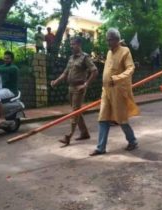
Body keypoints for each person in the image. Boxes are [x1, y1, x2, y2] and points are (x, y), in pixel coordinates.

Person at [90, 28, 139, 156]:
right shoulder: (109, 53)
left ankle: (132, 141)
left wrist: (117, 78)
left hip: (118, 91)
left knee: (121, 119)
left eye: (110, 39)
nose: (108, 42)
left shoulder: (125, 51)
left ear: (117, 40)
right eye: (107, 39)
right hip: (106, 91)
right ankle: (101, 147)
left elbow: (130, 68)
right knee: (103, 118)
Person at [51, 36, 98, 146]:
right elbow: (65, 73)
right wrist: (56, 82)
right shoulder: (71, 58)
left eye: (73, 44)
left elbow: (94, 71)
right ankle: (84, 133)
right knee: (77, 111)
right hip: (70, 88)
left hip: (79, 88)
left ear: (79, 45)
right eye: (71, 44)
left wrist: (85, 84)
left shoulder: (85, 57)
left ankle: (68, 136)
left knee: (74, 112)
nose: (71, 46)